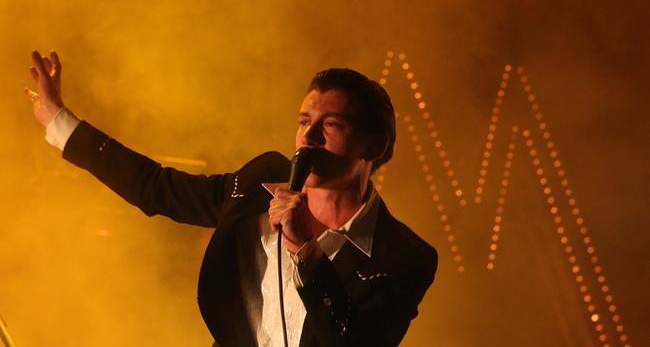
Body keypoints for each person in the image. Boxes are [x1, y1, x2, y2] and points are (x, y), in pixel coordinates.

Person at [25, 50, 437, 347]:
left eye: (330, 124)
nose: (307, 138)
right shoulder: (260, 183)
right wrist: (60, 120)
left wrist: (303, 250)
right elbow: (158, 188)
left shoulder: (402, 256)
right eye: (304, 121)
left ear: (375, 145)